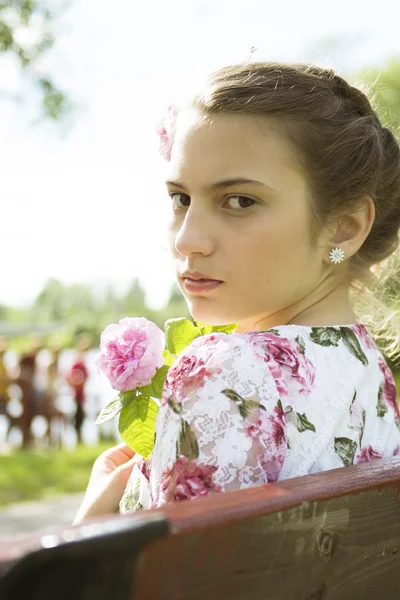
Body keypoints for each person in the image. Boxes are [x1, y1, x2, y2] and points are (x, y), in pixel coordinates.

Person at [74, 61, 400, 523]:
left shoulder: (224, 372)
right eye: (180, 198)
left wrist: (86, 527)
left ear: (344, 228)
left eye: (240, 201)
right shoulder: (369, 370)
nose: (187, 239)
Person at [67, 334, 91, 444]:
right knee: (78, 415)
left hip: (80, 393)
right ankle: (78, 438)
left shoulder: (80, 363)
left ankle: (79, 438)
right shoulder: (78, 363)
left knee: (80, 415)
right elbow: (72, 377)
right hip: (77, 394)